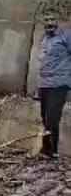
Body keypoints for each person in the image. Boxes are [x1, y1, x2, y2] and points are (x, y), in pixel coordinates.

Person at [37, 12, 71, 158]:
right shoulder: (44, 38)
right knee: (45, 118)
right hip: (44, 84)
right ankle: (51, 151)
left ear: (58, 20)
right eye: (46, 19)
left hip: (59, 83)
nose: (49, 22)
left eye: (52, 19)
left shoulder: (66, 35)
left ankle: (48, 151)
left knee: (52, 117)